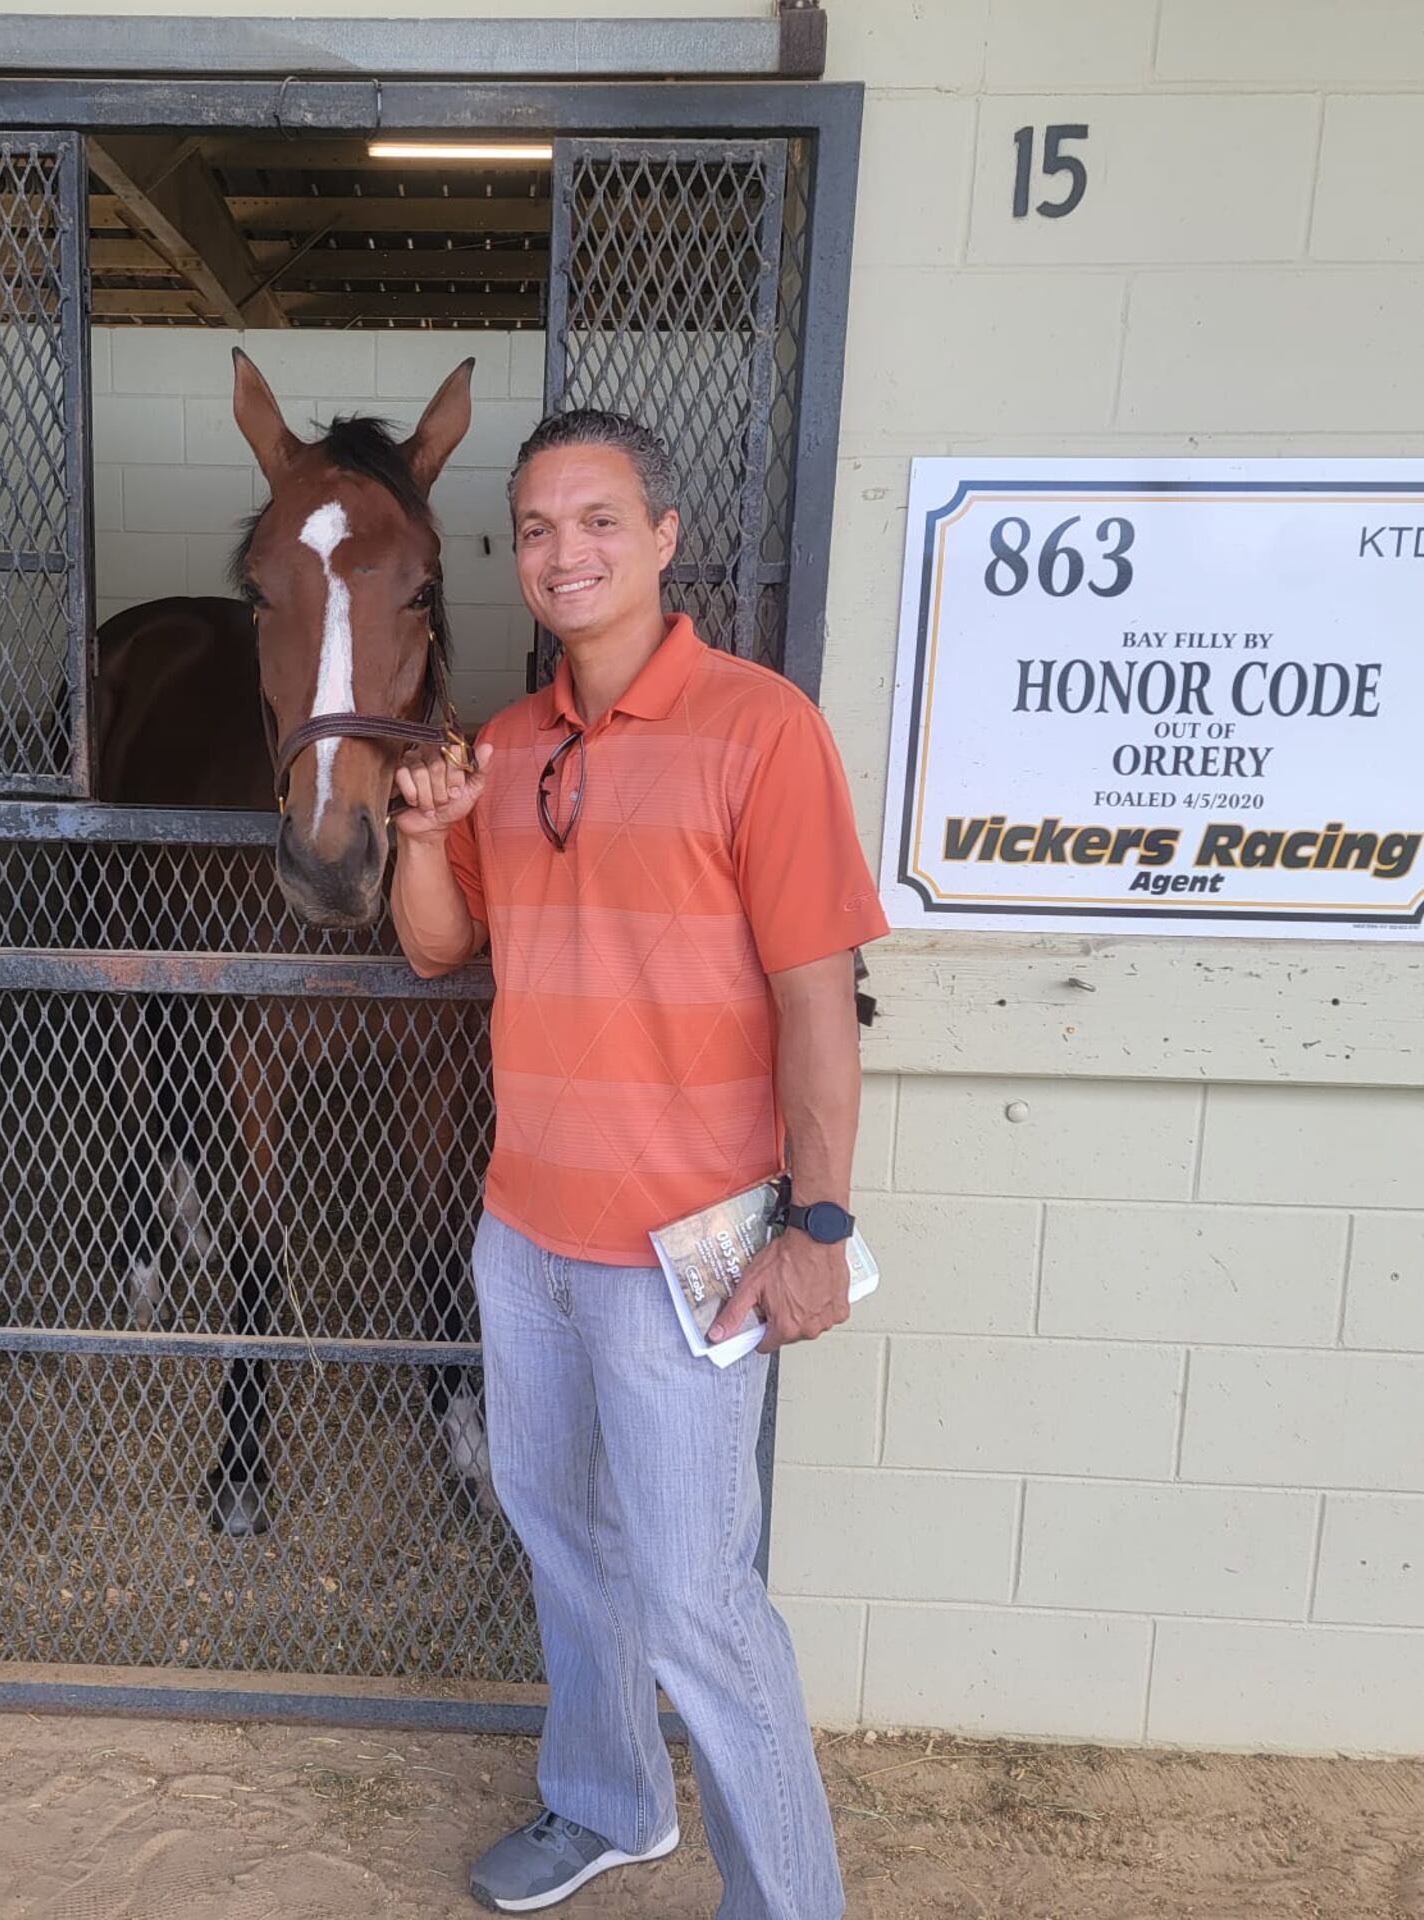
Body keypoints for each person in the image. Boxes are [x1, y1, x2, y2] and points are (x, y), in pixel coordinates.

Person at [391, 409, 885, 1919]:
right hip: (525, 1237)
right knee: (562, 1540)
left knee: (695, 1597)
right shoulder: (510, 746)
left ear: (665, 540)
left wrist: (817, 1224)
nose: (566, 552)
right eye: (537, 528)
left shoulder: (760, 728)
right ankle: (609, 1803)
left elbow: (817, 999)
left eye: (599, 521)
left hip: (701, 1247)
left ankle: (789, 1901)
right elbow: (434, 949)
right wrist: (428, 829)